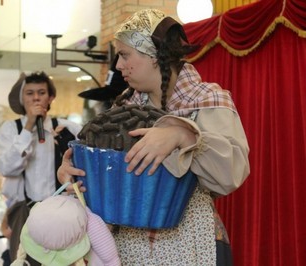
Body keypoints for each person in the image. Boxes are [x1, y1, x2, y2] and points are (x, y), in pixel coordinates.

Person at [57, 9, 250, 265]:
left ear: (154, 55)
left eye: (125, 55)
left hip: (191, 243)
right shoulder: (122, 109)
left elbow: (231, 175)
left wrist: (184, 135)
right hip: (128, 248)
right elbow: (109, 181)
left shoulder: (207, 100)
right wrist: (76, 175)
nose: (118, 65)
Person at [0, 71, 82, 262]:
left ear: (50, 97)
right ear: (22, 98)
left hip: (61, 211)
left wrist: (66, 143)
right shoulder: (11, 129)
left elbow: (85, 161)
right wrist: (28, 128)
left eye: (41, 92)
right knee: (22, 260)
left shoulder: (66, 126)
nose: (36, 97)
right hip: (23, 210)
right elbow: (6, 168)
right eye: (30, 93)